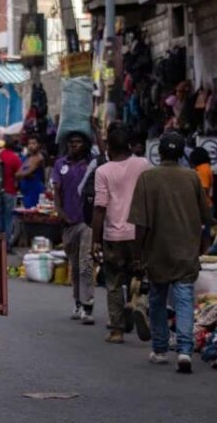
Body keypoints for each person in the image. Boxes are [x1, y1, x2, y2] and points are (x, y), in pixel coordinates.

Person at [128, 131, 210, 374]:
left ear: (160, 152)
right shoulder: (193, 178)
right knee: (184, 299)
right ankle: (184, 350)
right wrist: (202, 244)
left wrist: (137, 255)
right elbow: (206, 217)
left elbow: (140, 223)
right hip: (186, 250)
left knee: (157, 299)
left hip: (157, 251)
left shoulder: (148, 178)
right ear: (181, 153)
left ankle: (161, 349)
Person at [91, 127, 150, 344]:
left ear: (110, 149)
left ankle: (116, 330)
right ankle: (136, 303)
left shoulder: (103, 171)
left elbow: (99, 208)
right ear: (129, 146)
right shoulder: (143, 164)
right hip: (140, 233)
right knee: (140, 274)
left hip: (113, 236)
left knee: (114, 282)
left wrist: (95, 241)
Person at [52, 131, 95, 325]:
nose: (74, 146)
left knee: (86, 263)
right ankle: (78, 302)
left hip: (87, 222)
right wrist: (60, 213)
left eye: (78, 142)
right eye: (71, 143)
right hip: (68, 221)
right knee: (75, 265)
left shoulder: (91, 164)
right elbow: (57, 192)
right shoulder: (60, 164)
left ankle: (88, 305)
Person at [0, 137, 22, 247]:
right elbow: (19, 175)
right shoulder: (15, 158)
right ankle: (7, 245)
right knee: (9, 218)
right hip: (10, 191)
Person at [190, 147, 213, 250]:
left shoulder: (203, 169)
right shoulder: (206, 167)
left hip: (204, 205)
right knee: (205, 232)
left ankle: (205, 252)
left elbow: (203, 189)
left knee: (204, 233)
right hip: (207, 204)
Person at [15, 134, 45, 208]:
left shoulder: (39, 158)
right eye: (29, 143)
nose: (31, 146)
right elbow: (17, 174)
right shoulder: (27, 158)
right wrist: (22, 174)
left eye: (33, 143)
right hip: (25, 192)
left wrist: (22, 174)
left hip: (35, 190)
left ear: (39, 145)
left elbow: (26, 173)